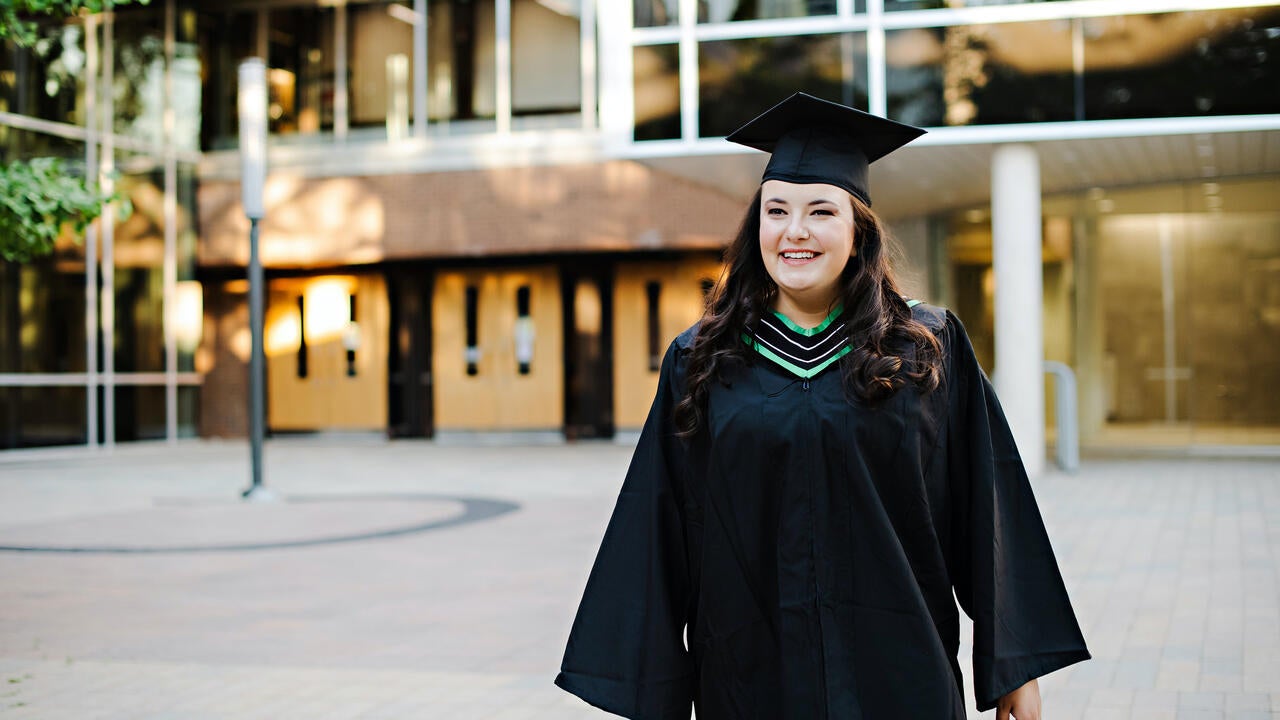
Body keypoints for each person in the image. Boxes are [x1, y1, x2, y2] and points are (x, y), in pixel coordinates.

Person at [554, 93, 1089, 720]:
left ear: (858, 229)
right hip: (751, 678)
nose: (795, 231)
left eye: (820, 211)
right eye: (776, 210)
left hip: (899, 675)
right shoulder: (703, 360)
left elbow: (988, 509)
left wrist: (1014, 673)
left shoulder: (923, 348)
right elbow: (658, 526)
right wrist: (651, 693)